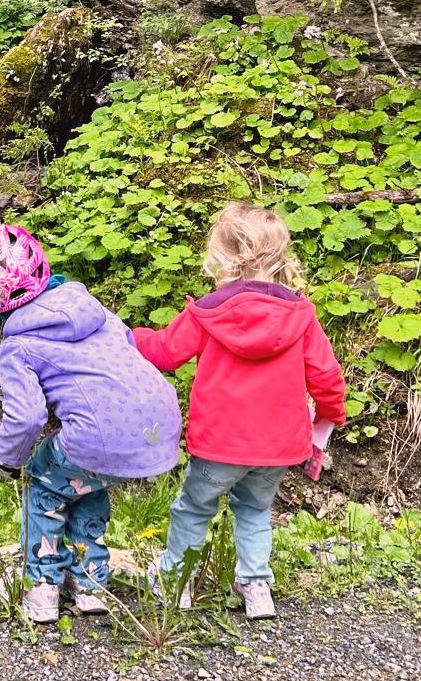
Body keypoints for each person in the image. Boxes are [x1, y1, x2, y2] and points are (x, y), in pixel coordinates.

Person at [132, 201, 346, 619]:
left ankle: (177, 582)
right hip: (278, 447)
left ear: (222, 256)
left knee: (194, 508)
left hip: (218, 444)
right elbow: (326, 375)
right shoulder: (300, 315)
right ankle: (256, 587)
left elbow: (164, 352)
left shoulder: (209, 311)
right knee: (255, 510)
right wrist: (330, 413)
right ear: (280, 257)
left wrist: (126, 335)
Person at [0, 223, 181, 624]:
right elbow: (129, 358)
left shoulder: (18, 345)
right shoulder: (97, 312)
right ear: (42, 268)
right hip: (158, 426)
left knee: (45, 485)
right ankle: (91, 580)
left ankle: (43, 587)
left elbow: (26, 417)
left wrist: (7, 460)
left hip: (98, 435)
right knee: (87, 482)